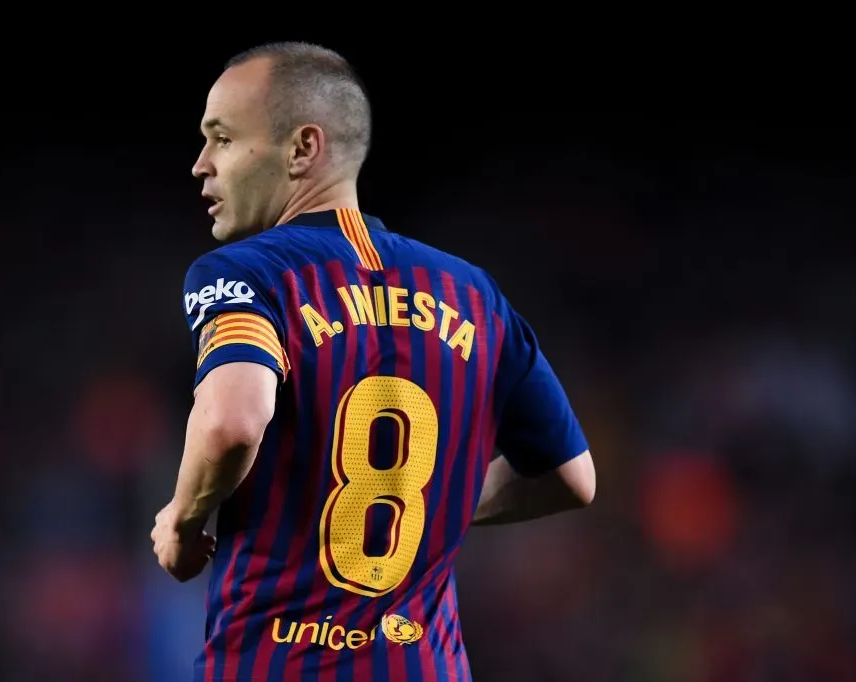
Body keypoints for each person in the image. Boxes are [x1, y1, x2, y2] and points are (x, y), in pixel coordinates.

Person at [150, 41, 596, 682]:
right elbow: (571, 476)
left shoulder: (248, 273)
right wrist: (415, 495)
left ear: (303, 148)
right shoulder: (474, 294)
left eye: (221, 138)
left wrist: (184, 524)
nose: (200, 165)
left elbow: (232, 422)